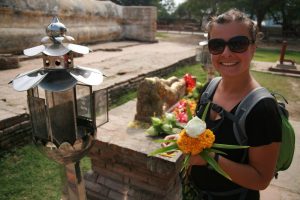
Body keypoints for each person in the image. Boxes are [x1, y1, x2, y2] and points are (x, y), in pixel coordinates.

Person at [164, 8, 282, 200]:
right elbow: (200, 134)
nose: (226, 53)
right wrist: (183, 139)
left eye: (238, 44)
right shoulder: (209, 88)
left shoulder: (263, 109)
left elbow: (261, 179)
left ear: (253, 48)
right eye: (217, 45)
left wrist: (208, 159)